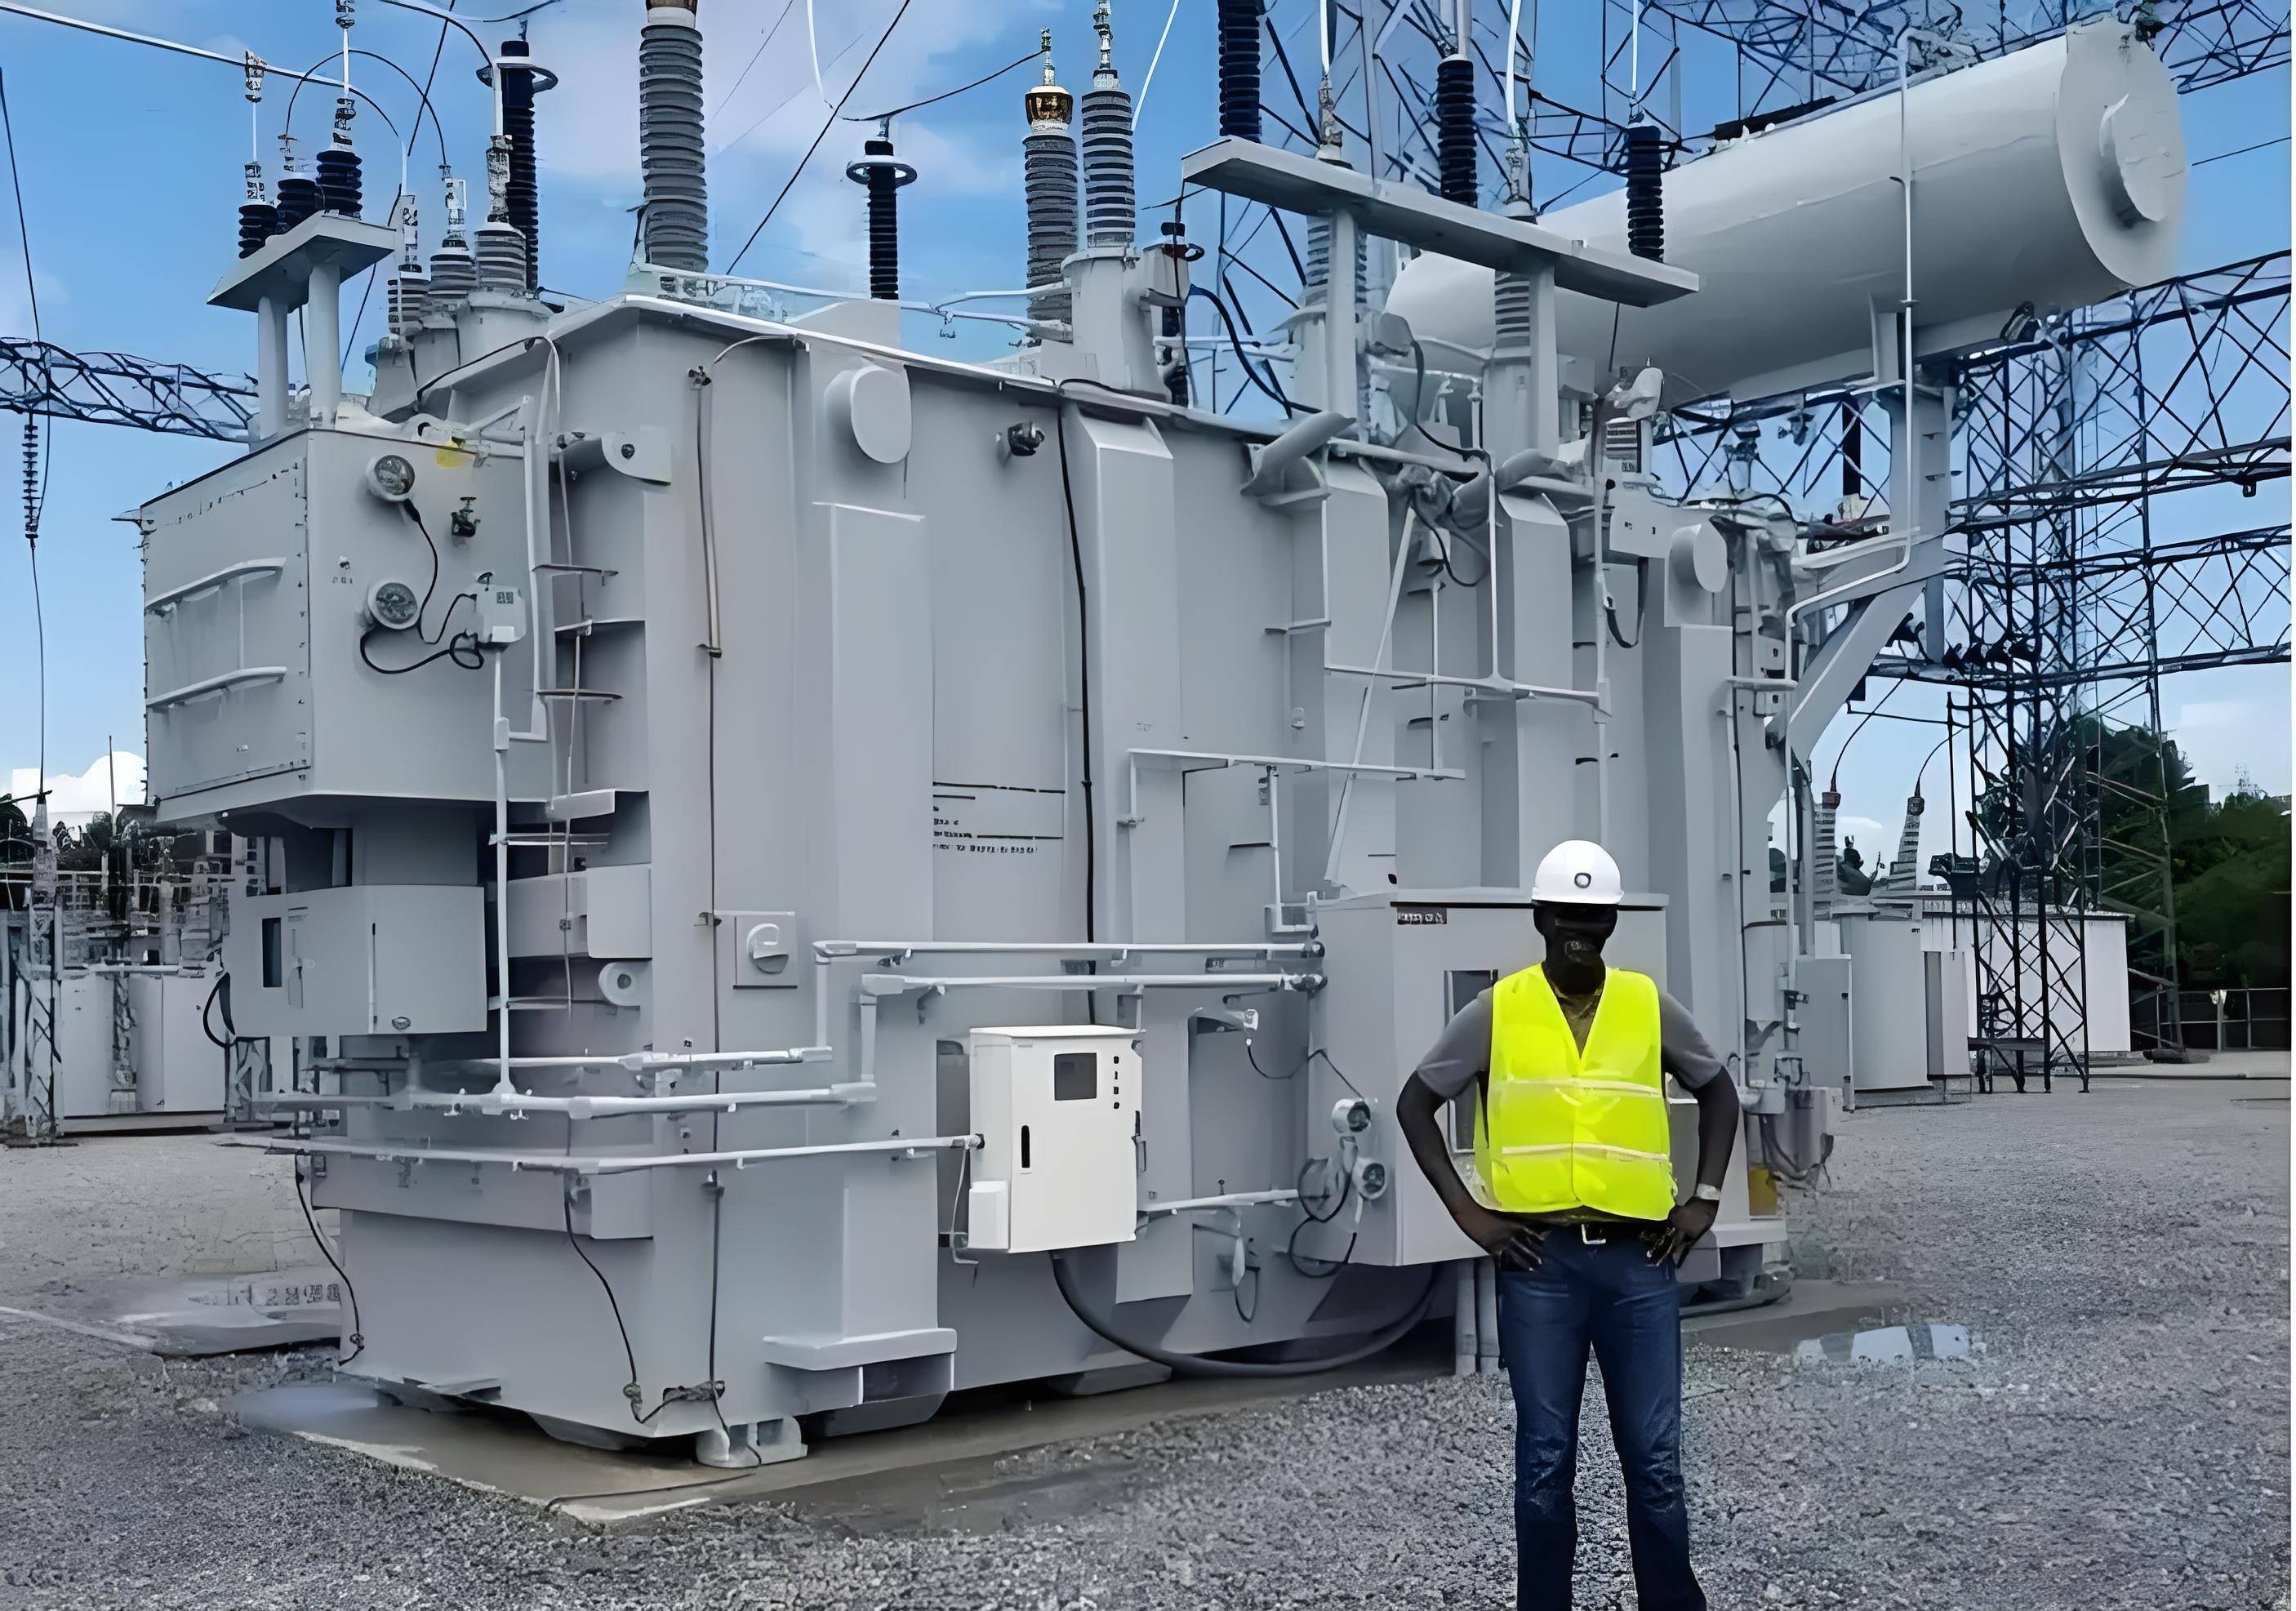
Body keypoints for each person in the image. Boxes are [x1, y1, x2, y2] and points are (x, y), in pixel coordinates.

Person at [1395, 839, 1739, 1611]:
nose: (1580, 931)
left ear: (1612, 921)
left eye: (1594, 917)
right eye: (1565, 916)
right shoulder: (1498, 1009)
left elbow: (1719, 1092)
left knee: (1656, 1464)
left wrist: (1705, 1200)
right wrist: (1469, 1215)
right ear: (1541, 918)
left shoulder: (1648, 1004)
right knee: (1545, 1465)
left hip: (1638, 1265)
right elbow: (1415, 1102)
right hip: (1541, 1267)